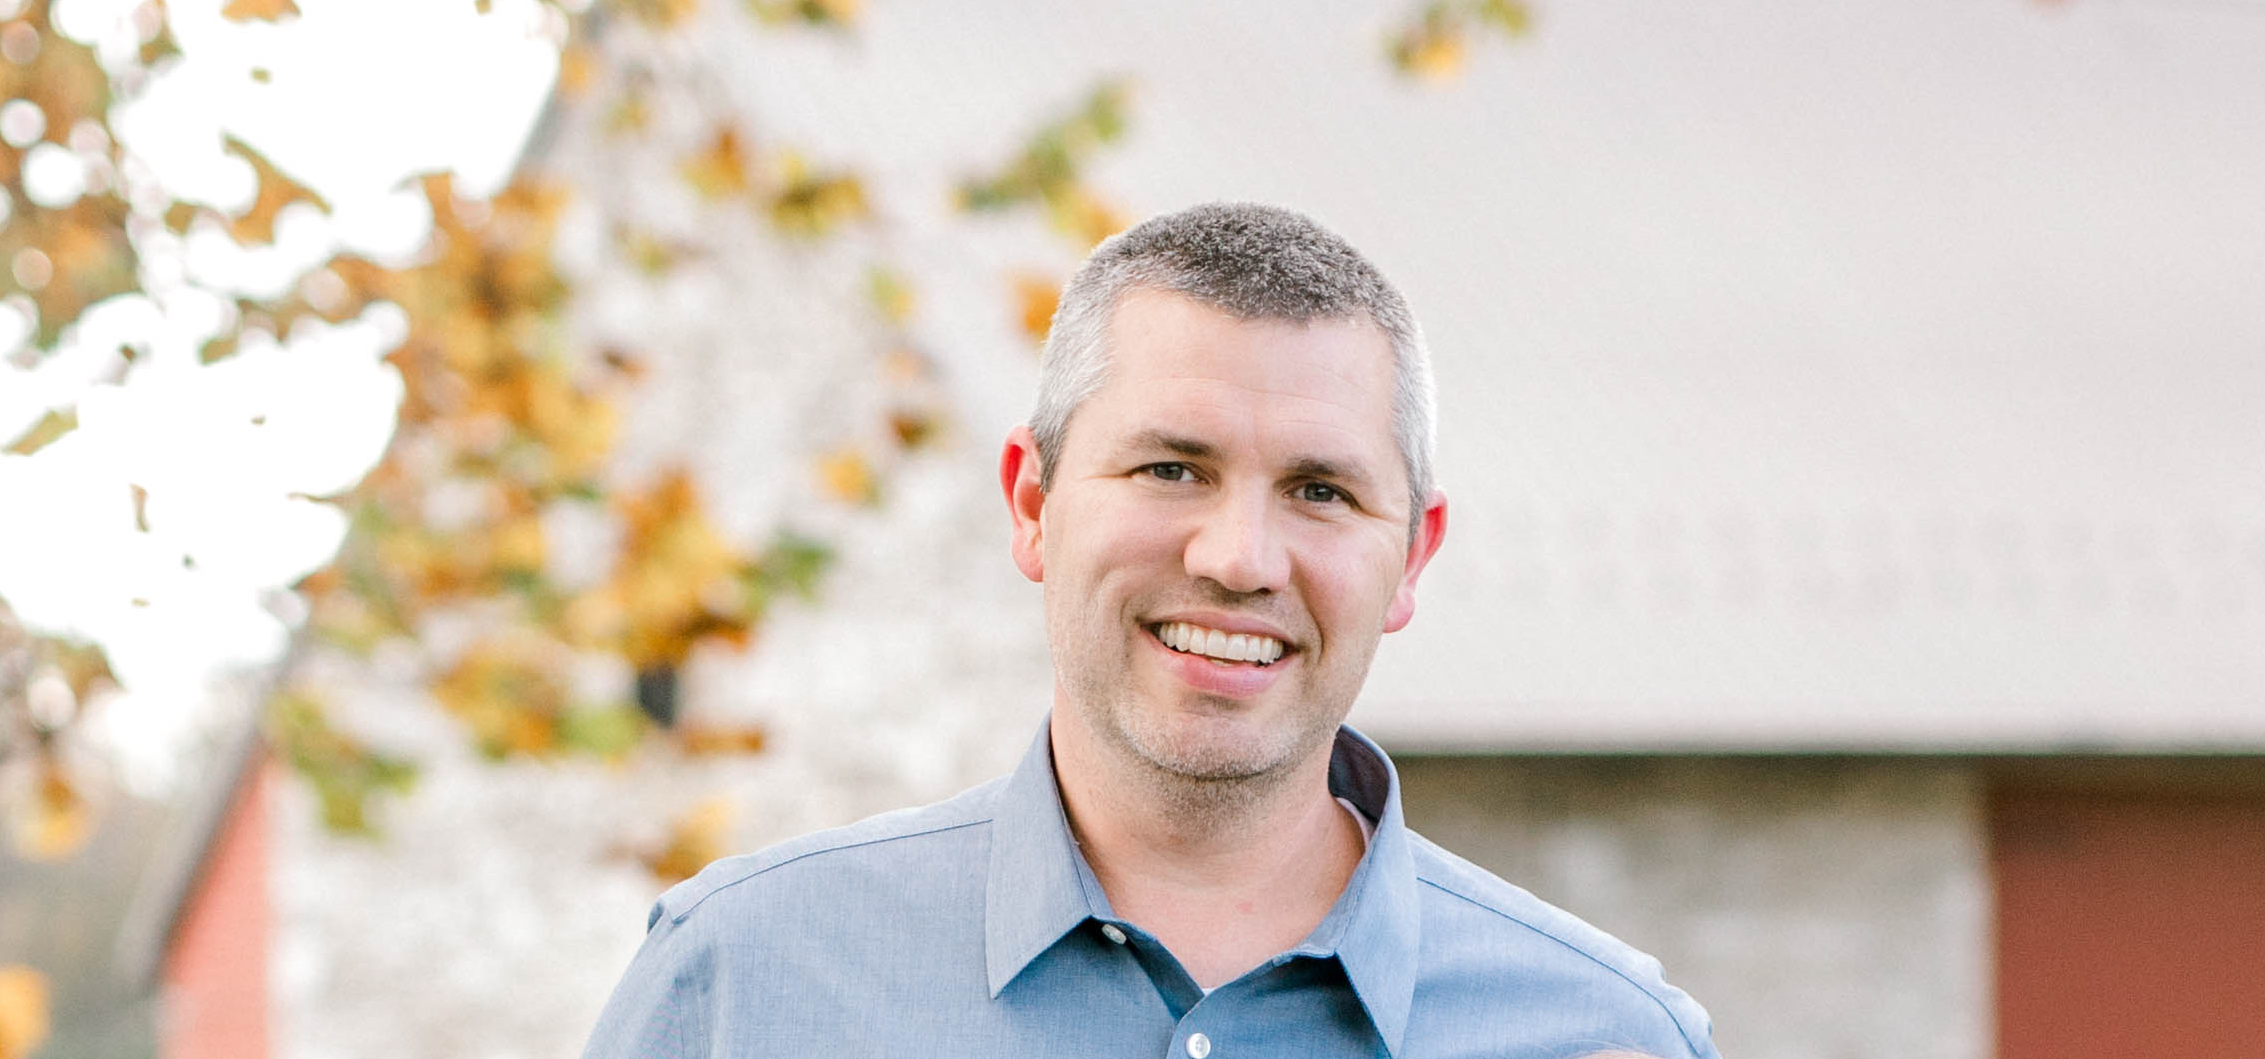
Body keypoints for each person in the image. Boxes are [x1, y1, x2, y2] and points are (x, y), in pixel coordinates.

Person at [581, 202, 1719, 1058]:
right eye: (1172, 466)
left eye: (1321, 489)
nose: (1238, 557)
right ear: (1033, 501)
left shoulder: (1599, 1033)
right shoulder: (744, 986)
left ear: (1412, 555)